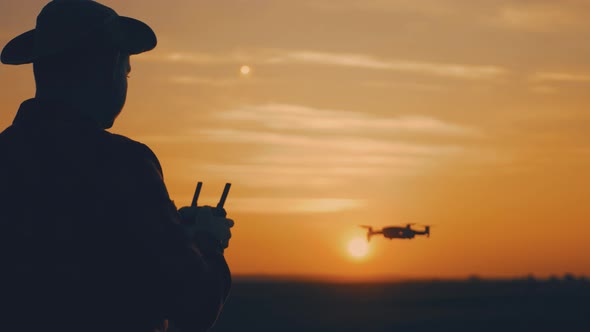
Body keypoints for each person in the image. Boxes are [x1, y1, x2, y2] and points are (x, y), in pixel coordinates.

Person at [0, 1, 233, 332]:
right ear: (108, 69)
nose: (125, 81)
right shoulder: (123, 164)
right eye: (126, 71)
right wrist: (208, 242)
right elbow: (194, 304)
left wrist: (173, 232)